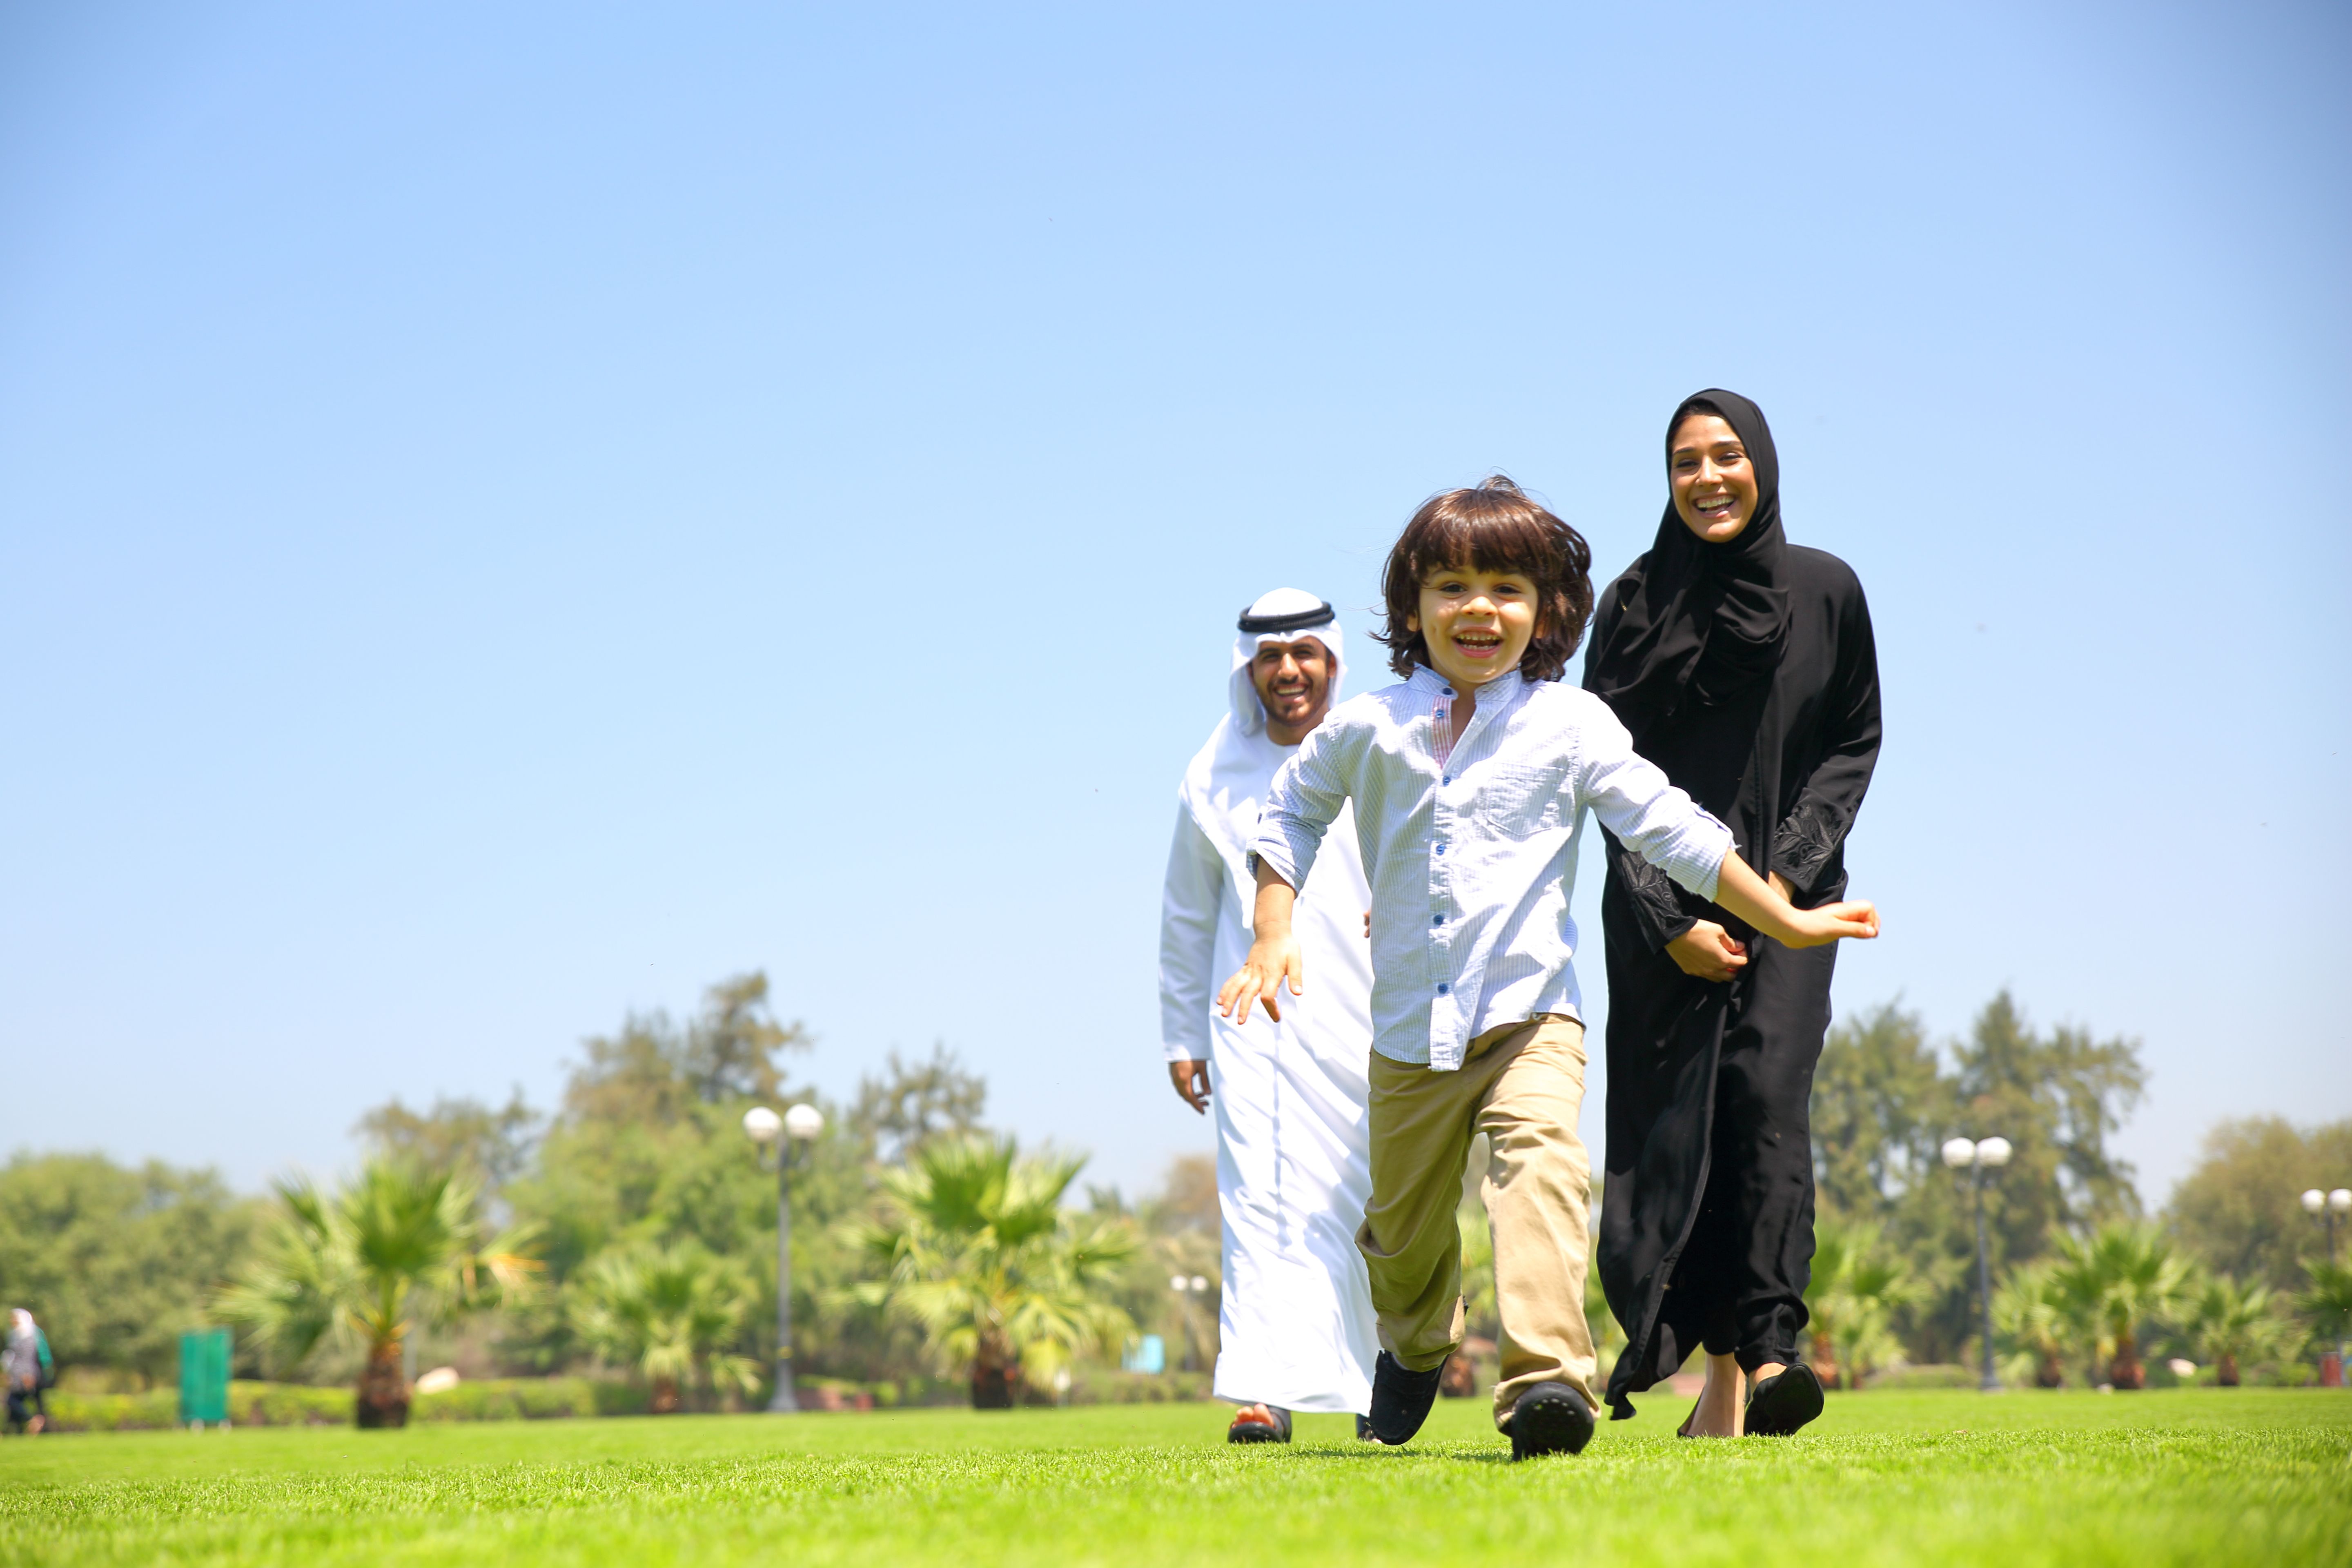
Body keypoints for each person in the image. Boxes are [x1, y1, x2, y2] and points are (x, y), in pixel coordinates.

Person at [1220, 477, 1877, 1461]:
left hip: (1531, 1016)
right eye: (1450, 585)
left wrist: (1779, 908)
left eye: (1504, 587)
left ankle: (1544, 1387)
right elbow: (1288, 816)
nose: (1477, 607)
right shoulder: (1365, 726)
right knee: (1400, 1238)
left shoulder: (1569, 726)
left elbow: (1672, 829)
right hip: (1407, 1032)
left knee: (1540, 1174)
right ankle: (1411, 1344)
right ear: (1411, 608)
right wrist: (1273, 929)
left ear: (1545, 613)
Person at [1583, 389, 1882, 1438]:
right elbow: (1600, 773)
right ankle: (1717, 1370)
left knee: (1762, 1100)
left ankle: (1765, 1355)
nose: (1706, 478)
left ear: (1760, 461)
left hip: (1795, 904)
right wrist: (1671, 915)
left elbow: (1852, 742)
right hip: (1657, 909)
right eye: (1683, 463)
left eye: (1724, 456)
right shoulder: (1630, 605)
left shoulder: (1827, 591)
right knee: (1682, 1128)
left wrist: (1782, 891)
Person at [1159, 588, 1380, 1443]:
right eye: (1270, 657)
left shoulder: (1378, 750)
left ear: (1331, 662)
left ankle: (1377, 1394)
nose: (1288, 671)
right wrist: (1181, 1034)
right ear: (1247, 671)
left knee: (1371, 1204)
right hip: (1247, 1021)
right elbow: (1185, 915)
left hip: (1369, 1015)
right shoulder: (1210, 775)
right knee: (1258, 1200)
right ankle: (1262, 1391)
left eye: (1305, 654)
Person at [5, 1309, 53, 1436]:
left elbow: (28, 1358)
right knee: (22, 1400)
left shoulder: (28, 1335)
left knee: (13, 1400)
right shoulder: (15, 1335)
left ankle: (33, 1421)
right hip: (17, 1374)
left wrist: (27, 1375)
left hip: (27, 1374)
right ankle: (22, 1428)